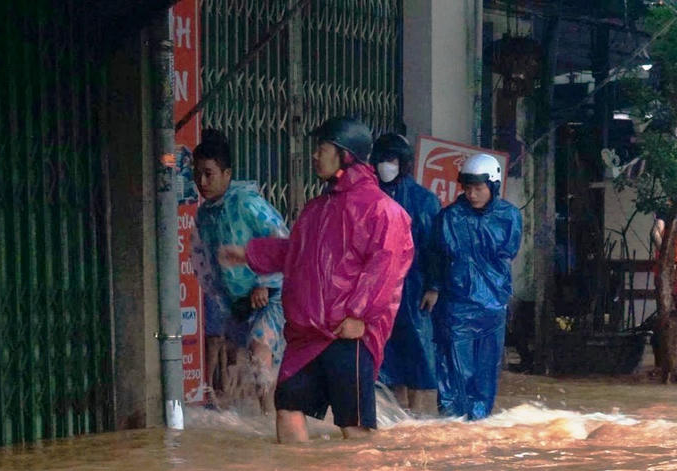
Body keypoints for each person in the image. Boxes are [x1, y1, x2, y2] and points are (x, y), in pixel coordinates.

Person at [222, 116, 414, 443]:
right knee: (287, 409)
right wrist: (249, 254)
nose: (314, 156)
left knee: (354, 427)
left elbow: (386, 268)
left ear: (345, 154)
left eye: (322, 149)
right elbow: (296, 253)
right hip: (306, 336)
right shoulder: (316, 210)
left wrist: (359, 317)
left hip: (347, 333)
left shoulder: (381, 210)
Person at [189, 130, 288, 412]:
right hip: (237, 301)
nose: (202, 182)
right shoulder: (205, 214)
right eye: (197, 174)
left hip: (272, 294)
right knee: (239, 364)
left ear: (227, 173)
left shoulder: (247, 203)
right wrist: (220, 297)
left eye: (209, 174)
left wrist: (265, 284)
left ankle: (270, 418)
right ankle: (263, 417)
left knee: (260, 351)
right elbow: (202, 258)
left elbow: (281, 241)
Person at [423, 153, 522, 420]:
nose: (472, 194)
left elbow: (506, 254)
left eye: (478, 188)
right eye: (468, 188)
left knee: (486, 371)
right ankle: (454, 422)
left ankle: (479, 423)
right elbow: (434, 255)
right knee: (455, 369)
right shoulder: (449, 217)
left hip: (492, 306)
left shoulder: (509, 216)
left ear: (493, 186)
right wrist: (433, 287)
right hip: (456, 305)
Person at [370, 133, 441, 415]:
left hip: (413, 286)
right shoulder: (370, 196)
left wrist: (433, 287)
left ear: (404, 163)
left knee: (416, 348)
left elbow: (434, 249)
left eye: (391, 160)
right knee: (385, 351)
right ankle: (396, 412)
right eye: (382, 160)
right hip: (379, 287)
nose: (385, 166)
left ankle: (416, 412)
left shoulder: (424, 201)